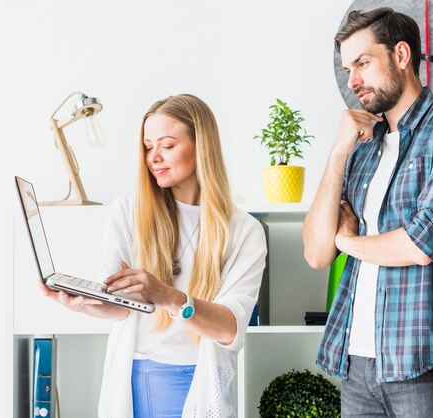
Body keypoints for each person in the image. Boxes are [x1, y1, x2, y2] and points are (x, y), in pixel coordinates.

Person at [303, 8, 433, 417]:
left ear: (401, 55)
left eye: (363, 63)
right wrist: (338, 154)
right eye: (347, 68)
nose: (353, 80)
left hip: (428, 365)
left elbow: (423, 243)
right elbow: (317, 254)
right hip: (356, 366)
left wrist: (347, 241)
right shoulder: (362, 151)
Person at [40, 94, 267, 417]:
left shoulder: (244, 231)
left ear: (201, 146)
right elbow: (120, 308)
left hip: (198, 383)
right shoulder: (129, 211)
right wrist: (84, 303)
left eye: (168, 145)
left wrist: (169, 297)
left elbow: (229, 328)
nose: (154, 157)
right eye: (148, 147)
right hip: (133, 380)